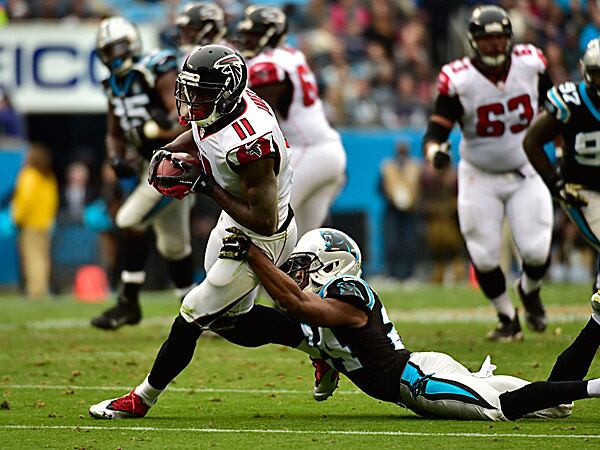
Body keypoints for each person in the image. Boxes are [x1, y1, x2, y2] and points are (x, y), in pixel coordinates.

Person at [90, 227, 600, 421]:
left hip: (416, 381)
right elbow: (265, 326)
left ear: (331, 263)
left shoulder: (349, 292)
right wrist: (213, 317)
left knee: (507, 408)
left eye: (307, 265)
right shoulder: (323, 301)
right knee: (551, 403)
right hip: (408, 377)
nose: (299, 274)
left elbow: (303, 309)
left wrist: (253, 255)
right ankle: (597, 325)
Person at [89, 44, 301, 418]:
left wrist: (204, 185)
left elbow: (264, 220)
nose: (190, 100)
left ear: (227, 92)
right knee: (230, 321)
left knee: (193, 310)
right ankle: (319, 343)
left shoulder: (251, 143)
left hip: (262, 237)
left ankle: (142, 397)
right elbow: (201, 130)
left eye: (200, 93)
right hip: (233, 225)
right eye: (188, 90)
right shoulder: (226, 107)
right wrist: (168, 149)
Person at [422, 5, 554, 341]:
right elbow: (436, 131)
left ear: (509, 39)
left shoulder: (531, 63)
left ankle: (529, 290)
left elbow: (555, 110)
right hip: (479, 175)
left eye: (499, 38)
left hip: (525, 169)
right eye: (486, 39)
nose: (494, 45)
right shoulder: (459, 78)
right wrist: (436, 153)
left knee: (537, 251)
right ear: (473, 41)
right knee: (483, 255)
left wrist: (563, 150)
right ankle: (507, 317)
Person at [91, 17, 196, 330]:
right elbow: (113, 131)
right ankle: (195, 309)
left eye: (116, 48)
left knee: (128, 219)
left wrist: (152, 125)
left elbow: (183, 117)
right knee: (173, 246)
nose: (112, 56)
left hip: (173, 165)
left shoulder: (156, 69)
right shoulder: (113, 85)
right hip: (146, 167)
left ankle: (128, 303)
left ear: (132, 43)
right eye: (106, 51)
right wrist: (115, 156)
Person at [523, 38, 600, 383]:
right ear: (586, 74)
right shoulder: (572, 101)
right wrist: (556, 183)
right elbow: (532, 141)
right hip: (582, 191)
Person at [236, 5, 347, 237]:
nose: (246, 39)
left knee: (266, 227)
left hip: (307, 151)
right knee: (302, 243)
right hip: (328, 151)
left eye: (253, 33)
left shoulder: (268, 65)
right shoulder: (291, 55)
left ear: (269, 34)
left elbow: (259, 115)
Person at [12, 143, 58, 297]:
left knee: (32, 258)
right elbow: (54, 200)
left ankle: (36, 290)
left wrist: (16, 218)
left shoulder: (29, 175)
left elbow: (24, 200)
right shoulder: (48, 177)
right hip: (45, 223)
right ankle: (42, 287)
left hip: (30, 224)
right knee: (42, 258)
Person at [379, 142, 421, 280]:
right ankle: (392, 273)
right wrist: (391, 196)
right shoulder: (388, 166)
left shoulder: (415, 166)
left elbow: (420, 187)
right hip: (392, 210)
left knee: (410, 242)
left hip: (410, 211)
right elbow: (379, 187)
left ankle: (409, 273)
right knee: (392, 241)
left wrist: (413, 199)